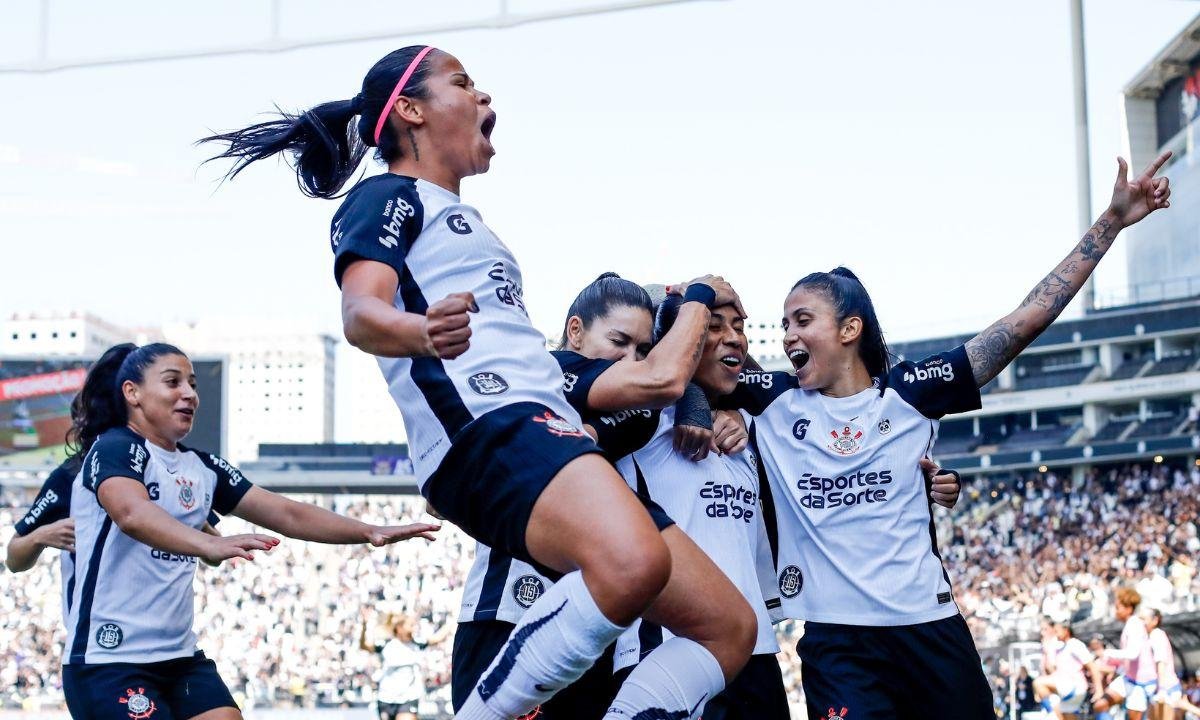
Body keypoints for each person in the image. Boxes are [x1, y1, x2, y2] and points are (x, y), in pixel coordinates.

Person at [202, 45, 757, 720]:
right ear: (410, 111)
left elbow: (664, 382)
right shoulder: (387, 196)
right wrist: (420, 331)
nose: (486, 98)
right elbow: (361, 311)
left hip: (545, 430)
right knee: (632, 563)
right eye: (465, 84)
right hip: (489, 429)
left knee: (728, 626)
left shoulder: (466, 222)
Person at [721, 150, 1172, 719]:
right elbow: (685, 366)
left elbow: (1022, 323)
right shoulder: (773, 399)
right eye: (784, 322)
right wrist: (701, 410)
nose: (787, 333)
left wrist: (1110, 222)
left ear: (849, 329)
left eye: (802, 319)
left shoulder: (911, 393)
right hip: (838, 645)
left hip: (928, 630)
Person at [62, 342, 438, 720]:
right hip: (108, 661)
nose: (189, 394)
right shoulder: (113, 449)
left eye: (192, 384)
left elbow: (287, 513)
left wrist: (368, 531)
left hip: (180, 659)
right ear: (133, 393)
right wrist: (208, 543)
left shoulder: (203, 467)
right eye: (173, 382)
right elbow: (132, 513)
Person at [451, 272, 737, 719]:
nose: (629, 359)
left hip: (598, 626)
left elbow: (666, 397)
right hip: (512, 611)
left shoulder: (635, 408)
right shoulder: (547, 373)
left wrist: (704, 404)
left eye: (641, 350)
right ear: (576, 332)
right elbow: (661, 384)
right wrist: (695, 298)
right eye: (618, 341)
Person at [361, 609, 453, 720]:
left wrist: (454, 619)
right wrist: (364, 625)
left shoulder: (417, 643)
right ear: (399, 628)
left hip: (408, 699)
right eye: (411, 625)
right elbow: (364, 646)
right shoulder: (386, 645)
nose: (414, 628)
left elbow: (437, 638)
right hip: (386, 699)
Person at [1093, 588, 1158, 720]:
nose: (1116, 611)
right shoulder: (1131, 624)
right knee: (1100, 705)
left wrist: (1107, 653)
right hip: (1128, 678)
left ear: (1128, 608)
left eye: (1118, 607)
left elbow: (1133, 654)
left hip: (1140, 682)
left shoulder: (1134, 624)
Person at [1033, 618, 1104, 719]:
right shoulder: (1060, 648)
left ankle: (1052, 713)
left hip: (1074, 686)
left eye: (1057, 631)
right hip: (1067, 687)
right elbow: (1051, 670)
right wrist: (1046, 651)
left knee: (1038, 682)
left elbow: (1092, 666)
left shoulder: (1075, 644)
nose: (1056, 634)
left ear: (1066, 630)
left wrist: (1099, 689)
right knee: (1066, 716)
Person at [1144, 607, 1200, 719]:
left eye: (1143, 619)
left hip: (1164, 689)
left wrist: (1188, 707)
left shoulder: (1157, 635)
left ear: (1155, 620)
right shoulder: (1154, 636)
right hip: (1163, 689)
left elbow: (1161, 662)